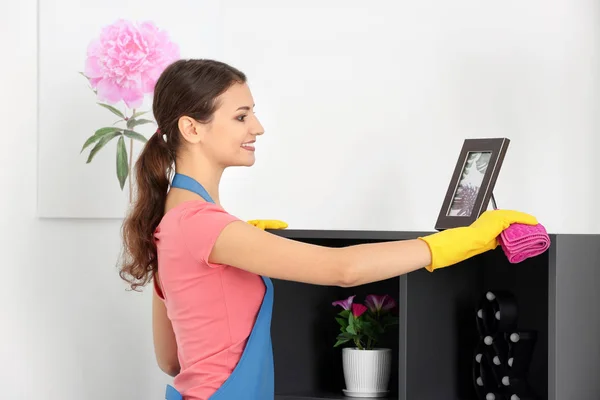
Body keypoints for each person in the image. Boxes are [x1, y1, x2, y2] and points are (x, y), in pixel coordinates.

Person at [118, 59, 538, 400]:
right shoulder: (202, 226)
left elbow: (171, 360)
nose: (258, 127)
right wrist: (460, 241)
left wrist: (243, 249)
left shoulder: (171, 225)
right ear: (192, 128)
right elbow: (342, 269)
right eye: (242, 116)